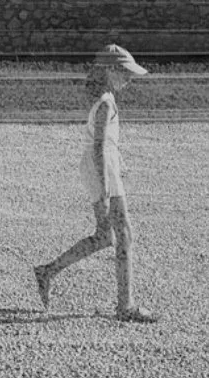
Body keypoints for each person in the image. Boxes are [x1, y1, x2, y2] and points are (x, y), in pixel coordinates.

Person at [34, 44, 158, 323]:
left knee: (106, 236)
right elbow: (99, 147)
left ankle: (47, 271)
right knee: (123, 234)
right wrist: (104, 188)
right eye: (125, 73)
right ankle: (125, 306)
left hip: (100, 165)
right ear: (110, 71)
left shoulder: (105, 98)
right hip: (101, 166)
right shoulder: (105, 102)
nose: (129, 79)